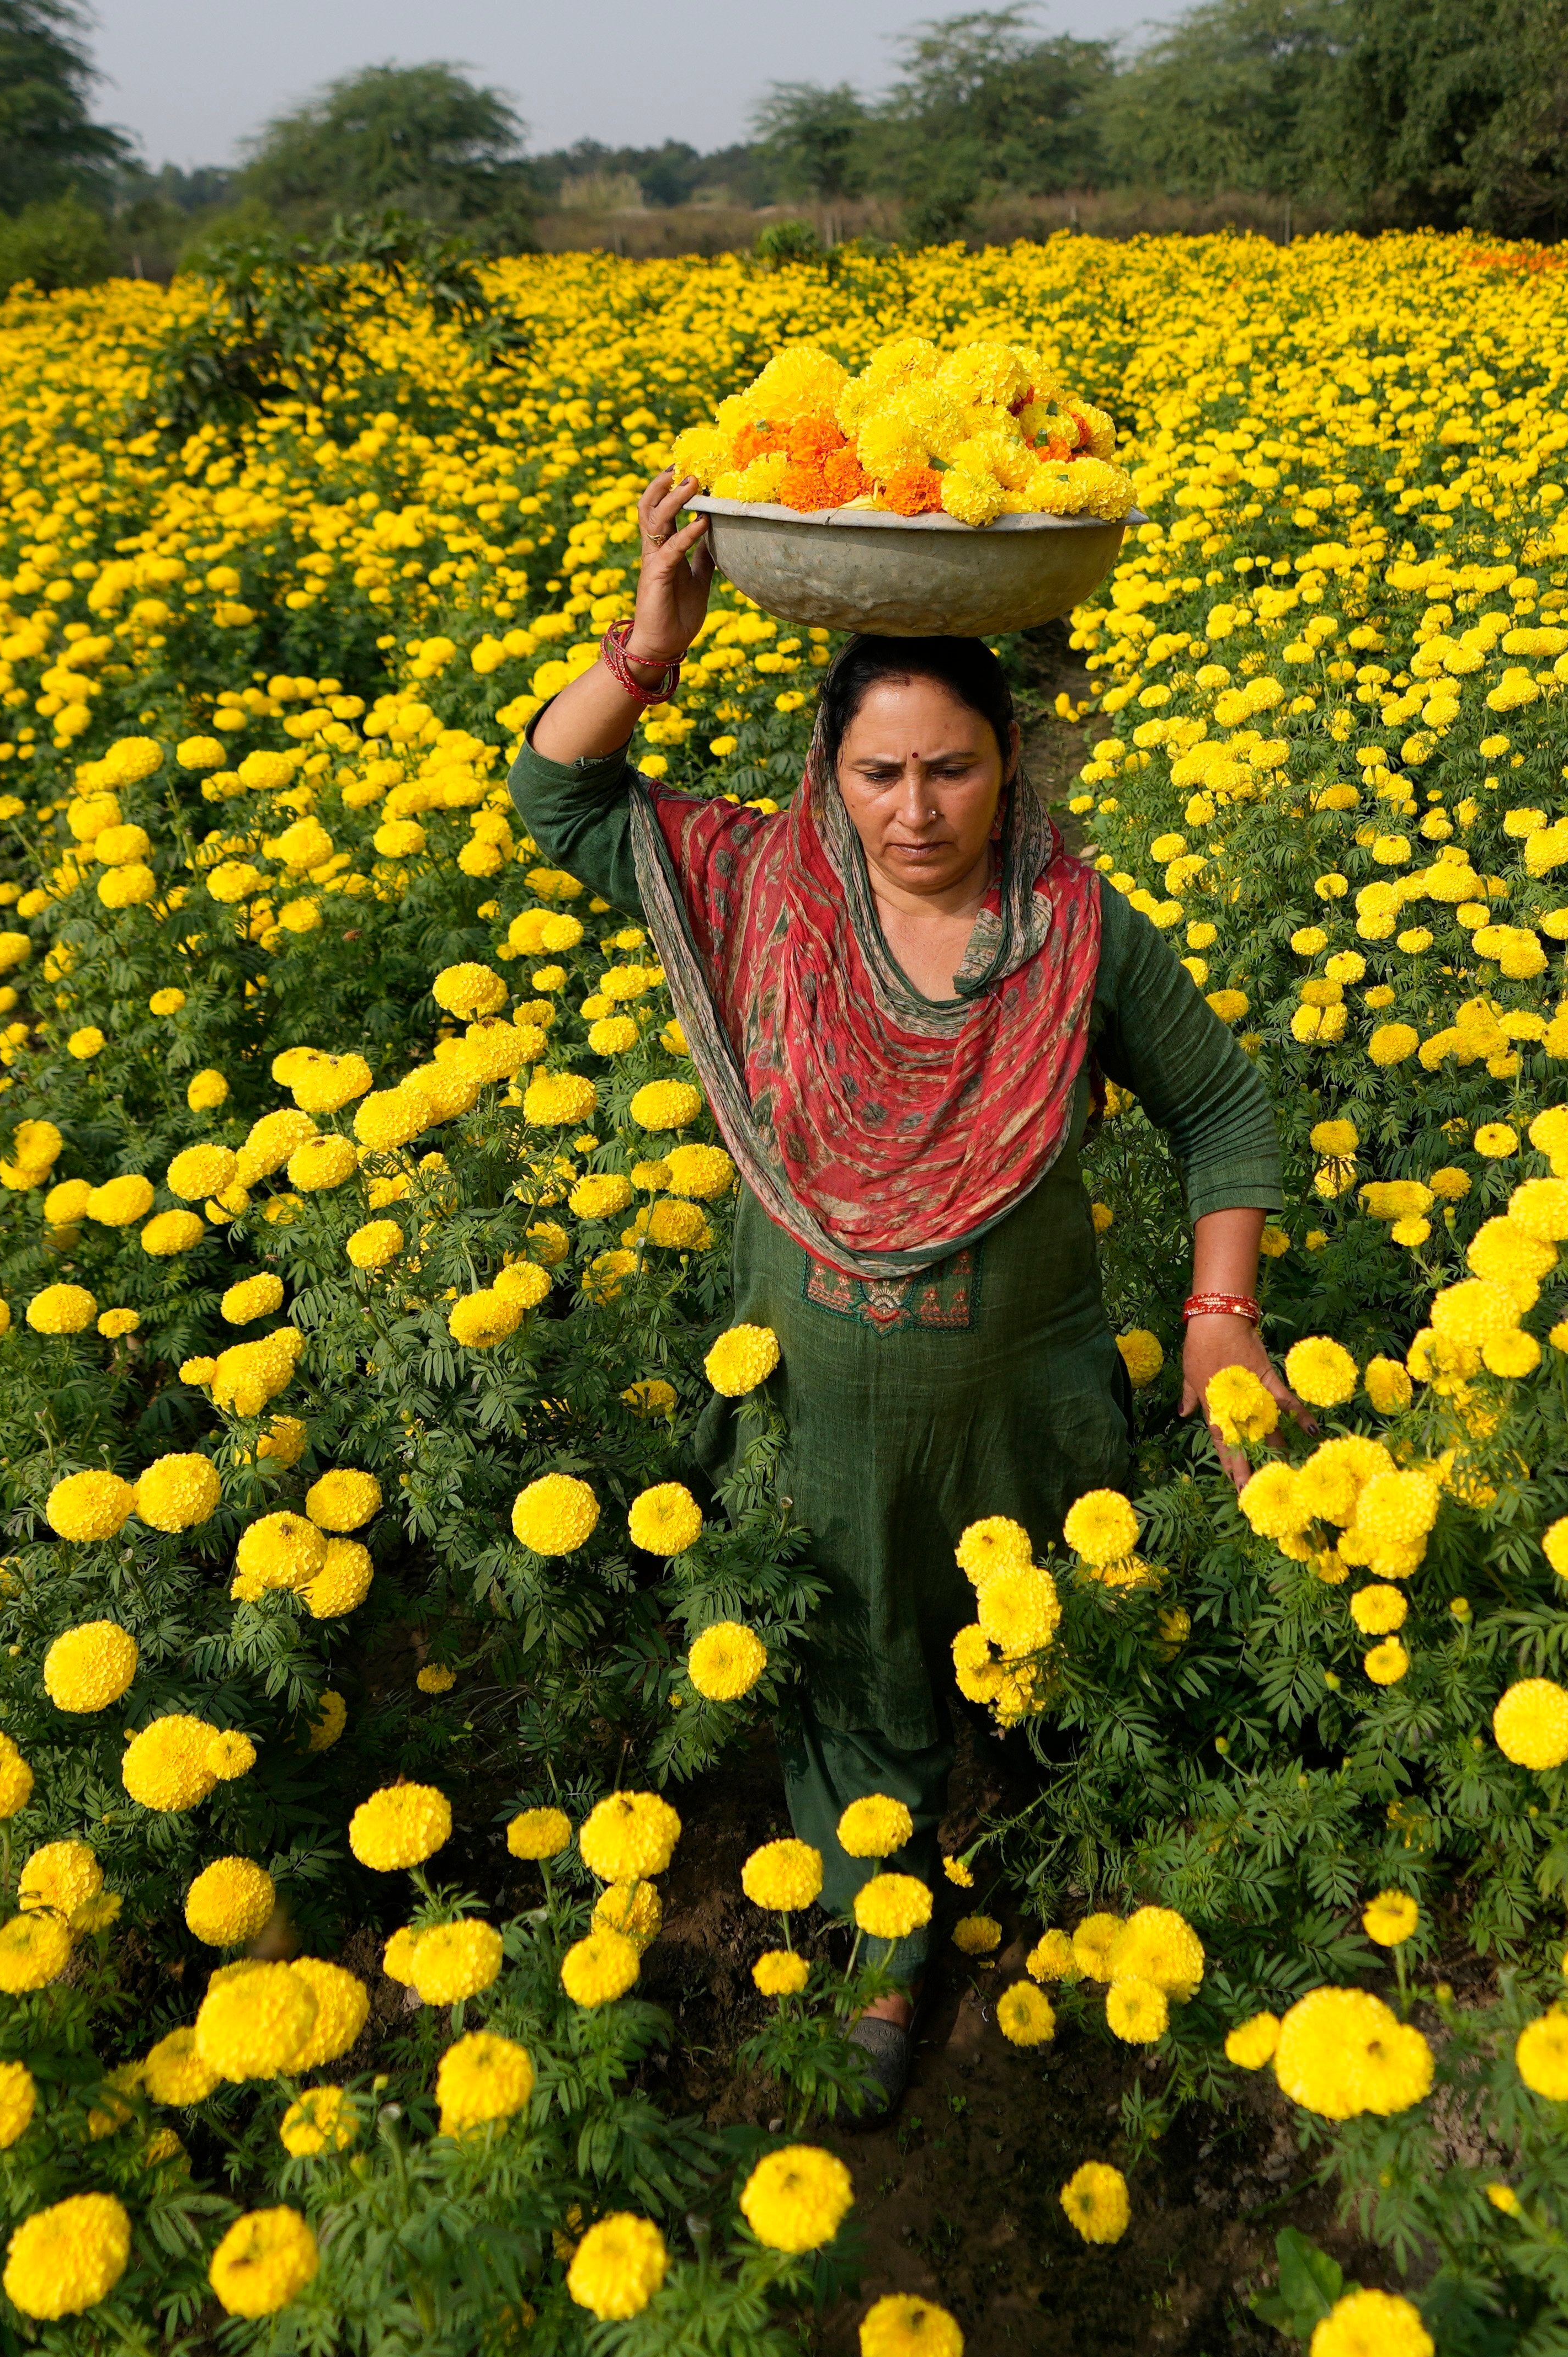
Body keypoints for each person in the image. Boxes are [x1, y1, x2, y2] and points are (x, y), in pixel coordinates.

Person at [509, 470, 1287, 2116]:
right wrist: (648, 645)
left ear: (1013, 769)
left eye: (951, 768)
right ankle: (881, 1921)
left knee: (1072, 1648)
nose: (914, 808)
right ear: (827, 770)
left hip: (1032, 1398)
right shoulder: (755, 887)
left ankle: (1116, 1852)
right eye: (878, 771)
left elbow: (1222, 1109)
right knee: (856, 1651)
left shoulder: (1074, 932)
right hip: (826, 1400)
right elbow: (561, 802)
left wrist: (1223, 1326)